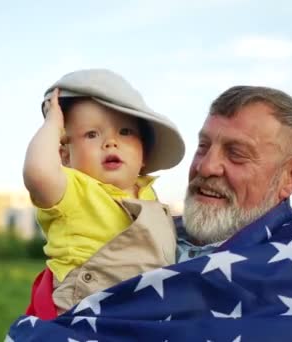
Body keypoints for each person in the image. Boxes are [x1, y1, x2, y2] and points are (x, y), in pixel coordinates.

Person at [9, 86, 292, 341]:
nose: (207, 166)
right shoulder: (140, 226)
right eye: (204, 146)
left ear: (290, 176)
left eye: (236, 153)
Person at [23, 69, 185, 314]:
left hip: (143, 311)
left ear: (144, 154)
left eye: (125, 132)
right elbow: (38, 172)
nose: (111, 142)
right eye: (91, 134)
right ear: (65, 155)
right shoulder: (73, 188)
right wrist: (53, 125)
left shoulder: (148, 196)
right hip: (85, 312)